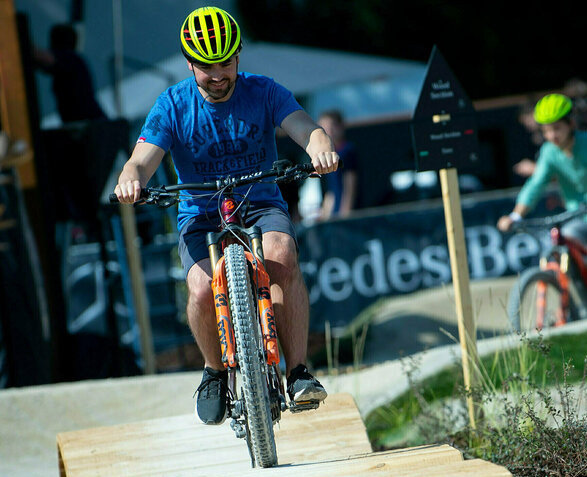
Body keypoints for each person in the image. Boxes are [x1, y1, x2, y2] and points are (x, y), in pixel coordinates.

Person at [112, 6, 338, 425]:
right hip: (200, 211)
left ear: (238, 58)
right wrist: (131, 180)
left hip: (259, 202)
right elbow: (140, 162)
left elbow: (307, 127)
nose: (217, 77)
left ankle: (298, 371)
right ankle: (215, 371)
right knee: (200, 290)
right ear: (189, 63)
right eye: (206, 68)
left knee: (282, 256)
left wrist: (318, 147)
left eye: (226, 66)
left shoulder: (264, 91)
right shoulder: (173, 105)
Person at [497, 93, 587, 311]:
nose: (551, 135)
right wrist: (516, 215)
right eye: (546, 131)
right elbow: (535, 185)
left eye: (556, 129)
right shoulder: (549, 152)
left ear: (570, 124)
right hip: (582, 214)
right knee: (564, 250)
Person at [33, 24, 106, 124]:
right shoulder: (74, 62)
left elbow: (43, 58)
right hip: (89, 126)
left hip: (92, 127)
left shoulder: (70, 59)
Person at [317, 109, 359, 219]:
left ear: (340, 127)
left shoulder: (347, 151)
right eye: (323, 127)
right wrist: (325, 216)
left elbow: (350, 184)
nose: (328, 131)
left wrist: (345, 213)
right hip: (334, 215)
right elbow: (330, 191)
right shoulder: (326, 156)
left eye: (332, 126)